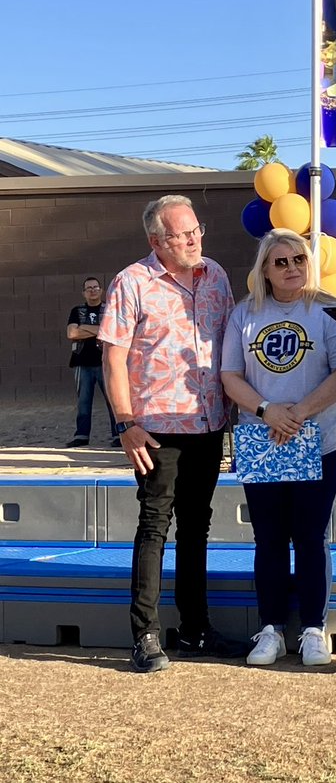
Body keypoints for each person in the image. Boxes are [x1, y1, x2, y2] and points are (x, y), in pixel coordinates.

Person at [99, 195, 246, 673]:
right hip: (156, 430)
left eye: (196, 229)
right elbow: (114, 357)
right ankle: (144, 634)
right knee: (154, 527)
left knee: (197, 527)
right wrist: (126, 423)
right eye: (182, 234)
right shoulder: (131, 282)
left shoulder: (217, 275)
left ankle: (196, 629)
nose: (194, 239)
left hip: (208, 425)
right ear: (156, 241)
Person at [221, 229, 336, 668]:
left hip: (320, 440)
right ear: (264, 268)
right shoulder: (244, 314)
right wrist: (267, 411)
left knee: (311, 536)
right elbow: (230, 376)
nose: (291, 268)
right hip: (263, 439)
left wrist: (296, 413)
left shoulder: (328, 310)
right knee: (269, 538)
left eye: (298, 260)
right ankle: (271, 628)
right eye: (279, 262)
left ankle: (314, 629)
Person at [66, 276, 119, 448]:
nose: (92, 290)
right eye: (88, 288)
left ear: (101, 290)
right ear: (84, 292)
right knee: (83, 401)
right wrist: (100, 330)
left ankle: (118, 435)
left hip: (106, 362)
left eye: (95, 287)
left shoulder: (109, 309)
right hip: (82, 363)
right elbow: (72, 334)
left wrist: (85, 328)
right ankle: (81, 435)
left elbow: (112, 331)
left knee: (113, 400)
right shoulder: (77, 310)